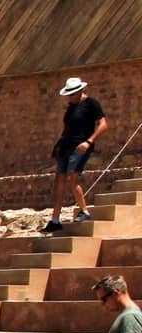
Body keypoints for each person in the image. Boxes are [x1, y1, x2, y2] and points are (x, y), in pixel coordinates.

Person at [45, 76, 107, 233]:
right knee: (59, 181)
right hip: (65, 147)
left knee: (72, 178)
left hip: (80, 147)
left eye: (72, 94)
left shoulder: (91, 104)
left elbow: (103, 124)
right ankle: (55, 219)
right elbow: (67, 129)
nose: (70, 97)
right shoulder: (71, 107)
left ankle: (84, 210)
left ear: (80, 91)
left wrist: (89, 141)